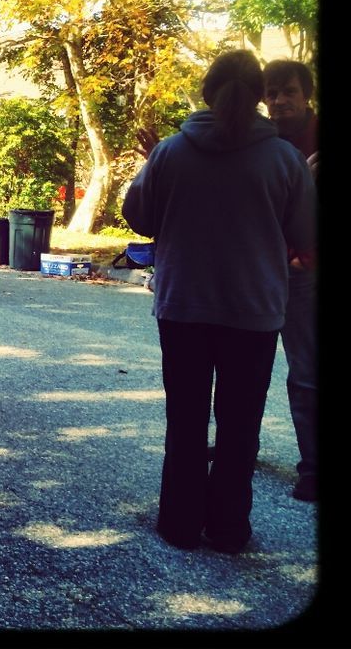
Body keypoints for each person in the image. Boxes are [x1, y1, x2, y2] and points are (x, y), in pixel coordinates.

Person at [121, 50, 315, 553]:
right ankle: (229, 528)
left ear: (207, 91)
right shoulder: (284, 159)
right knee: (240, 422)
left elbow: (138, 216)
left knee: (185, 418)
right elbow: (306, 233)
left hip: (184, 304)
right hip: (254, 310)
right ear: (259, 97)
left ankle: (180, 524)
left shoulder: (170, 151)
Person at [263, 58, 319, 503]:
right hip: (259, 272)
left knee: (307, 373)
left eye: (289, 93)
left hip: (306, 275)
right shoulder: (258, 142)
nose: (279, 102)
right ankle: (237, 448)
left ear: (307, 95)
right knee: (244, 368)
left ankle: (314, 469)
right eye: (271, 93)